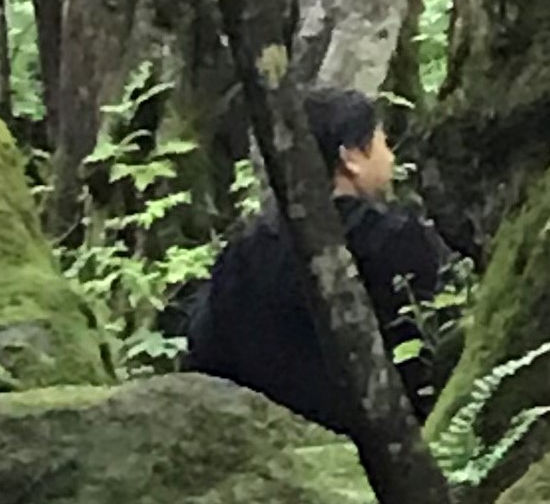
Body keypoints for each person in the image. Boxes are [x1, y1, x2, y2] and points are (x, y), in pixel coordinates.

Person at [181, 86, 459, 434]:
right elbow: (430, 351)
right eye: (382, 142)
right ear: (351, 158)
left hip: (257, 436)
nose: (390, 156)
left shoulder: (245, 248)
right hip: (371, 446)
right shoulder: (396, 238)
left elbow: (205, 349)